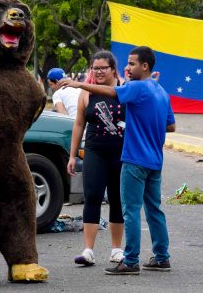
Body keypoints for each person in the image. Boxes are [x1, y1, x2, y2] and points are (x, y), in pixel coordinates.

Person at [59, 46, 175, 275]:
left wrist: (79, 84)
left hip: (134, 160)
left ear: (145, 66)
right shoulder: (160, 91)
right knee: (154, 210)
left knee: (130, 210)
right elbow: (170, 125)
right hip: (155, 160)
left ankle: (130, 261)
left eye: (132, 63)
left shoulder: (136, 88)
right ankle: (162, 257)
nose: (128, 67)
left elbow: (111, 93)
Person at [68, 51, 125, 267]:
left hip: (120, 153)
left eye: (103, 68)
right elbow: (79, 124)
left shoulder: (123, 88)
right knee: (92, 196)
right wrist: (72, 155)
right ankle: (88, 251)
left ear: (113, 69)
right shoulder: (86, 93)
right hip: (94, 151)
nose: (98, 72)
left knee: (117, 199)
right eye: (95, 68)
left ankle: (117, 250)